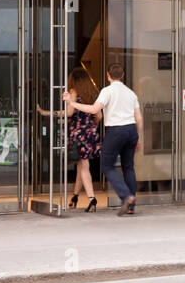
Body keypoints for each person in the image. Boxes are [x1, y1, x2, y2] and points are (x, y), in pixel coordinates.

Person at [64, 62, 140, 216]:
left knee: (107, 166)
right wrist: (138, 137)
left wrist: (71, 103)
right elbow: (139, 118)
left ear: (108, 75)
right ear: (123, 75)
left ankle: (126, 197)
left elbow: (94, 110)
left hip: (116, 131)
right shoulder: (131, 93)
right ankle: (131, 205)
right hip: (132, 130)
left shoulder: (107, 91)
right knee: (128, 167)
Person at [38, 68, 102, 211]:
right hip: (90, 132)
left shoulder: (73, 92)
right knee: (81, 166)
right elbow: (99, 116)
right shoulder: (94, 93)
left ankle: (92, 199)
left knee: (84, 166)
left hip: (78, 134)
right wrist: (91, 127)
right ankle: (74, 197)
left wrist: (47, 113)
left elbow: (69, 113)